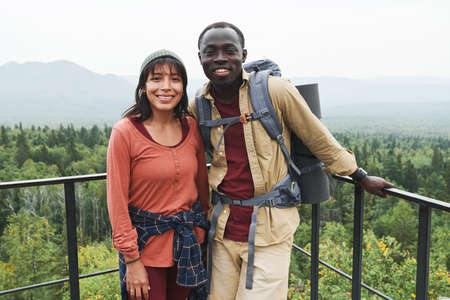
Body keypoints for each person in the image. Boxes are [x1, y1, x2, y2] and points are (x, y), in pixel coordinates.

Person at [190, 22, 394, 300]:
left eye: (229, 50)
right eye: (210, 52)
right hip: (223, 230)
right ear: (200, 57)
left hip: (271, 229)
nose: (220, 58)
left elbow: (317, 137)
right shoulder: (199, 105)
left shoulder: (275, 91)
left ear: (244, 55)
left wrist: (359, 175)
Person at [107, 49, 210, 300]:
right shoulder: (125, 132)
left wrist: (201, 232)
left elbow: (201, 188)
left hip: (187, 245)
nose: (166, 87)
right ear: (143, 85)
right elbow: (117, 202)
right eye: (156, 78)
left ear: (183, 86)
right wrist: (131, 260)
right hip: (145, 248)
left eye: (175, 79)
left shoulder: (191, 126)